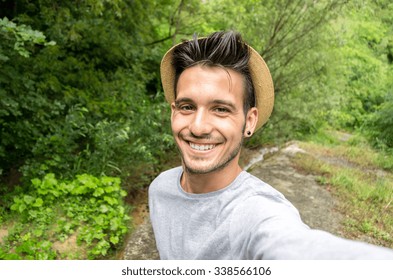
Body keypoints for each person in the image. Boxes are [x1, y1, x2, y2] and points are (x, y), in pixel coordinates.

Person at [148, 30, 393, 259]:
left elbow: (293, 247)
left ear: (249, 121)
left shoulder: (259, 212)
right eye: (187, 107)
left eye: (221, 109)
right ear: (173, 113)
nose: (198, 127)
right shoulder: (160, 188)